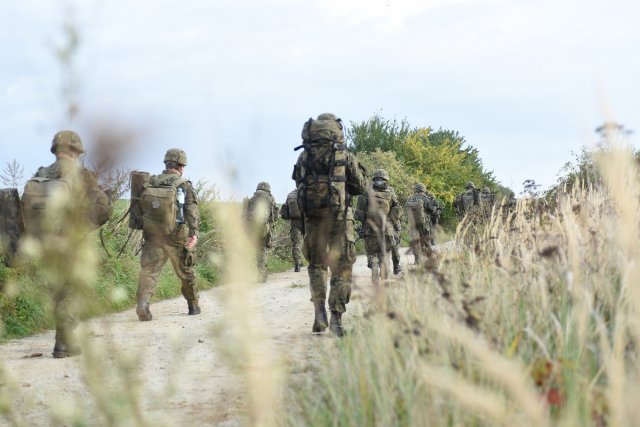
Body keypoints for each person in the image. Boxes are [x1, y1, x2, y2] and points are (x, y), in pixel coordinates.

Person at [26, 130, 112, 358]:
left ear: (55, 149)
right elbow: (103, 209)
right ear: (76, 151)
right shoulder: (81, 174)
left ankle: (64, 339)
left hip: (44, 243)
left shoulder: (41, 173)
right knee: (72, 290)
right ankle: (63, 342)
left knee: (57, 290)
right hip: (70, 243)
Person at [293, 112, 367, 337]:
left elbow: (298, 183)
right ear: (337, 131)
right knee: (341, 268)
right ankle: (336, 319)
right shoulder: (345, 155)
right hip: (340, 220)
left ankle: (319, 314)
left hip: (313, 219)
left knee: (316, 266)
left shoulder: (304, 156)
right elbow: (361, 186)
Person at [136, 149, 200, 321]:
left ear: (166, 164)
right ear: (181, 166)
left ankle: (142, 305)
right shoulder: (184, 183)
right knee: (185, 271)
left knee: (149, 271)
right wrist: (194, 233)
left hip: (152, 234)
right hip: (176, 235)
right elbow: (191, 210)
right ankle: (193, 306)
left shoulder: (151, 182)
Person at [355, 169, 401, 282]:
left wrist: (364, 224)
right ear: (386, 179)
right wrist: (393, 223)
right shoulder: (391, 192)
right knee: (385, 253)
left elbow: (358, 214)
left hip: (370, 229)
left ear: (374, 179)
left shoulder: (366, 192)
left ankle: (374, 265)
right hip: (386, 230)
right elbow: (397, 210)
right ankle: (385, 278)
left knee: (371, 252)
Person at [245, 181, 279, 282]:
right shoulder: (270, 198)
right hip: (264, 228)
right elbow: (275, 215)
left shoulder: (252, 198)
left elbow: (246, 214)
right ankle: (261, 275)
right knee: (262, 250)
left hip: (251, 228)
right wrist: (269, 224)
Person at [406, 183, 440, 265]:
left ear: (416, 190)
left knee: (415, 241)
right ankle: (428, 259)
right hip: (424, 223)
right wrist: (435, 208)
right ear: (423, 190)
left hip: (413, 223)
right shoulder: (425, 199)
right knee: (426, 240)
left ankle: (417, 260)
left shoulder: (410, 198)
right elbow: (431, 210)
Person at [279, 189, 304, 272]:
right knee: (309, 242)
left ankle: (297, 265)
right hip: (307, 221)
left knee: (296, 244)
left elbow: (285, 209)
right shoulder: (307, 192)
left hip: (294, 222)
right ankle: (312, 263)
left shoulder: (290, 195)